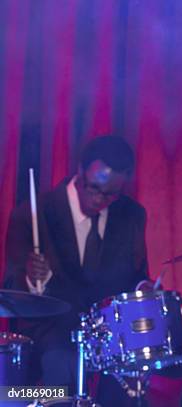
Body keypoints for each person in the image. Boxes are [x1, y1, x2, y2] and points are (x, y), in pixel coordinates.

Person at [4, 135, 151, 406]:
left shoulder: (132, 214)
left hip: (108, 335)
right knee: (61, 363)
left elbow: (137, 275)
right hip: (50, 331)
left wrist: (145, 291)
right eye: (94, 188)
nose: (99, 199)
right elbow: (12, 287)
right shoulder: (34, 213)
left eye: (110, 194)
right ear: (81, 171)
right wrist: (34, 276)